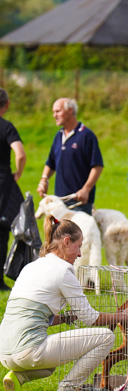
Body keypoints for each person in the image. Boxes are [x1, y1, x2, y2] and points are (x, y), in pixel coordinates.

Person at [0, 218, 128, 391]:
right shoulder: (63, 271)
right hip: (28, 352)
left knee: (49, 366)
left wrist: (66, 318)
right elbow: (91, 319)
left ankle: (17, 377)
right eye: (79, 246)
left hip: (5, 352)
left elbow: (36, 314)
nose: (80, 254)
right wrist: (123, 316)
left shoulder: (32, 266)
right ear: (66, 242)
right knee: (106, 337)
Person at [36, 98, 103, 215]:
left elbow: (97, 166)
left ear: (70, 111)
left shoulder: (87, 136)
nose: (54, 115)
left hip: (79, 203)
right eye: (53, 112)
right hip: (60, 204)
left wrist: (86, 189)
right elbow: (50, 163)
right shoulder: (58, 136)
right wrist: (44, 180)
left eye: (58, 111)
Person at [0, 88, 25, 291]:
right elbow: (20, 153)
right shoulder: (7, 127)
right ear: (6, 105)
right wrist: (18, 172)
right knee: (2, 230)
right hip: (3, 183)